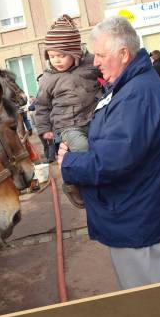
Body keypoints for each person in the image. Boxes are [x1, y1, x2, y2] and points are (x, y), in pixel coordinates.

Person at [58, 16, 160, 290]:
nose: (96, 62)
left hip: (135, 218)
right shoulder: (132, 86)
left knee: (142, 296)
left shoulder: (136, 94)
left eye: (101, 55)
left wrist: (69, 162)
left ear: (124, 54)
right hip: (141, 212)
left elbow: (111, 162)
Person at [33, 14, 101, 209]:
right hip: (68, 126)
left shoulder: (90, 64)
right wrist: (44, 128)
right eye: (52, 56)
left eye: (61, 55)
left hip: (94, 118)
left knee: (104, 146)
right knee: (81, 147)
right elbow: (42, 105)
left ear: (75, 53)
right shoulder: (48, 78)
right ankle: (73, 183)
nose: (56, 61)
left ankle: (100, 182)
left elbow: (107, 73)